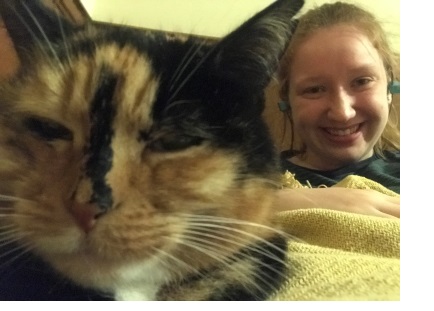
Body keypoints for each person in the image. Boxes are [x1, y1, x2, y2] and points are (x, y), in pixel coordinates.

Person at [273, 1, 400, 219]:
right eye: (314, 89)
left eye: (362, 81)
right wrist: (307, 201)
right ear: (287, 100)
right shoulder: (258, 183)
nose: (343, 113)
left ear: (389, 85)